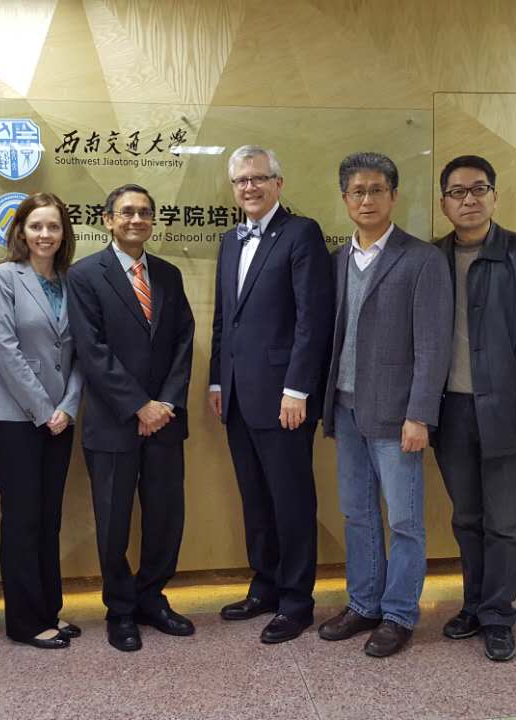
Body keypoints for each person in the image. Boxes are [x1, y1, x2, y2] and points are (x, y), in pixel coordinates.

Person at [317, 152, 453, 658]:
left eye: (377, 190)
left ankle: (398, 613)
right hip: (346, 408)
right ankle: (364, 604)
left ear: (394, 196)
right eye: (358, 191)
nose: (367, 199)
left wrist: (420, 414)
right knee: (356, 513)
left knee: (404, 520)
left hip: (398, 416)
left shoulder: (421, 259)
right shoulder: (336, 261)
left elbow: (433, 345)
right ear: (345, 199)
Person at [431, 155, 516, 663]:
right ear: (444, 203)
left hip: (508, 409)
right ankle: (473, 606)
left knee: (504, 522)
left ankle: (499, 616)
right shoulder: (432, 257)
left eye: (478, 189)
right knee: (467, 518)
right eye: (457, 192)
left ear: (495, 196)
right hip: (450, 411)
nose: (469, 200)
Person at [208, 146, 334, 644]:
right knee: (255, 499)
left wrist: (297, 388)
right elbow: (225, 318)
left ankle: (297, 602)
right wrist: (217, 381)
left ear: (278, 183)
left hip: (285, 398)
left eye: (260, 178)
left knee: (291, 501)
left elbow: (312, 319)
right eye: (242, 180)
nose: (250, 187)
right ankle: (264, 586)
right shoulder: (230, 240)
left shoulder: (301, 233)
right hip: (239, 395)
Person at [66, 184, 196, 653]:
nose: (136, 219)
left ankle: (152, 598)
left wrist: (165, 403)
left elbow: (184, 340)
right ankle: (120, 609)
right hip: (113, 421)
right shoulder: (84, 275)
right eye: (126, 212)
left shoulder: (168, 274)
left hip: (165, 421)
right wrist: (139, 405)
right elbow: (91, 350)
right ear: (108, 219)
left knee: (165, 516)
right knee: (113, 521)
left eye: (144, 212)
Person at [0, 192, 84, 650]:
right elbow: (4, 349)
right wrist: (45, 411)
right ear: (21, 231)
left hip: (61, 417)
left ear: (64, 233)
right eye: (36, 226)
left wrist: (69, 407)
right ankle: (24, 622)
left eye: (53, 226)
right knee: (22, 519)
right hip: (14, 419)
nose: (45, 234)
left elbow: (81, 353)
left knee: (49, 519)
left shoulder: (71, 281)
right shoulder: (2, 277)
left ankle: (49, 611)